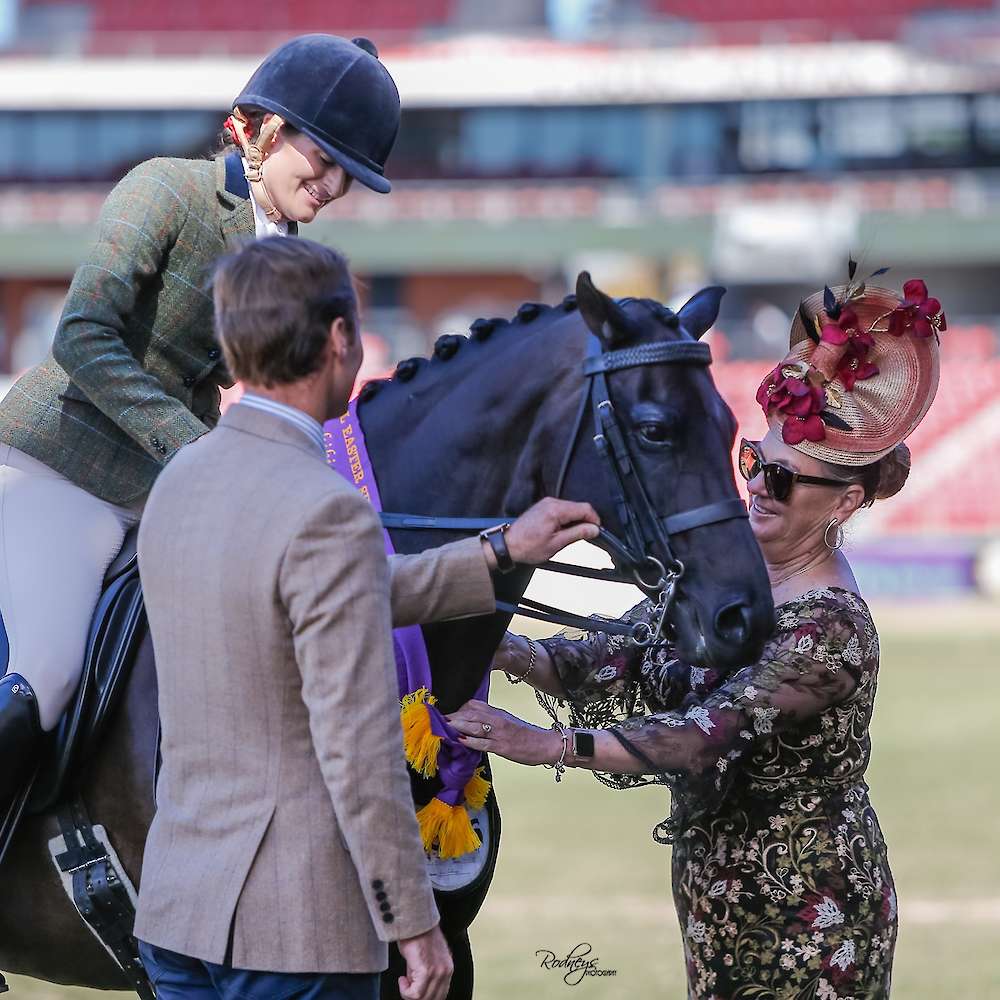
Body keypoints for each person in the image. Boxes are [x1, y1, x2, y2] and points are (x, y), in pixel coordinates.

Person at [448, 273, 946, 999]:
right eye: (754, 463)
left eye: (783, 480)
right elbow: (614, 657)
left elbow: (703, 735)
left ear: (844, 501)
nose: (757, 488)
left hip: (812, 916)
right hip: (720, 899)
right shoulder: (731, 575)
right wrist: (509, 648)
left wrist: (542, 743)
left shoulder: (831, 626)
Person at [132, 236, 601, 1000]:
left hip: (178, 914)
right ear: (341, 340)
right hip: (298, 935)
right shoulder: (327, 508)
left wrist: (500, 551)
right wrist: (414, 924)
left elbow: (327, 596)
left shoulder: (181, 476)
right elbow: (357, 744)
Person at [0, 33, 410, 818]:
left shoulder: (290, 257)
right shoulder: (167, 189)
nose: (328, 186)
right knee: (49, 670)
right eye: (321, 159)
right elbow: (83, 333)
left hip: (167, 493)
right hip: (61, 464)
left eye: (344, 178)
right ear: (259, 127)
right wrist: (202, 450)